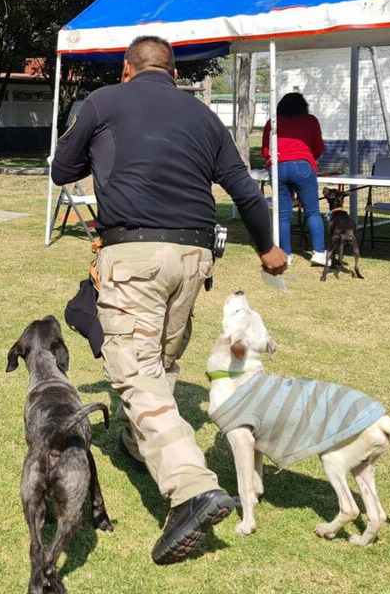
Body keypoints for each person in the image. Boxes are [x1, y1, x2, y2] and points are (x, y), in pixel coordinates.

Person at [50, 36, 287, 566]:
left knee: (135, 370)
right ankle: (140, 447)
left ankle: (190, 490)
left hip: (134, 253)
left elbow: (60, 171)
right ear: (174, 74)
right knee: (162, 359)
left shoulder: (104, 102)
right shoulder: (203, 116)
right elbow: (245, 191)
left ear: (128, 70)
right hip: (194, 257)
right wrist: (269, 248)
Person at [261, 92, 327, 265]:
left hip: (279, 166)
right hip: (303, 165)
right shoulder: (311, 121)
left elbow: (266, 150)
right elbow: (318, 147)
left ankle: (286, 255)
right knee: (312, 211)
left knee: (283, 215)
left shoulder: (273, 122)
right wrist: (308, 159)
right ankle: (319, 252)